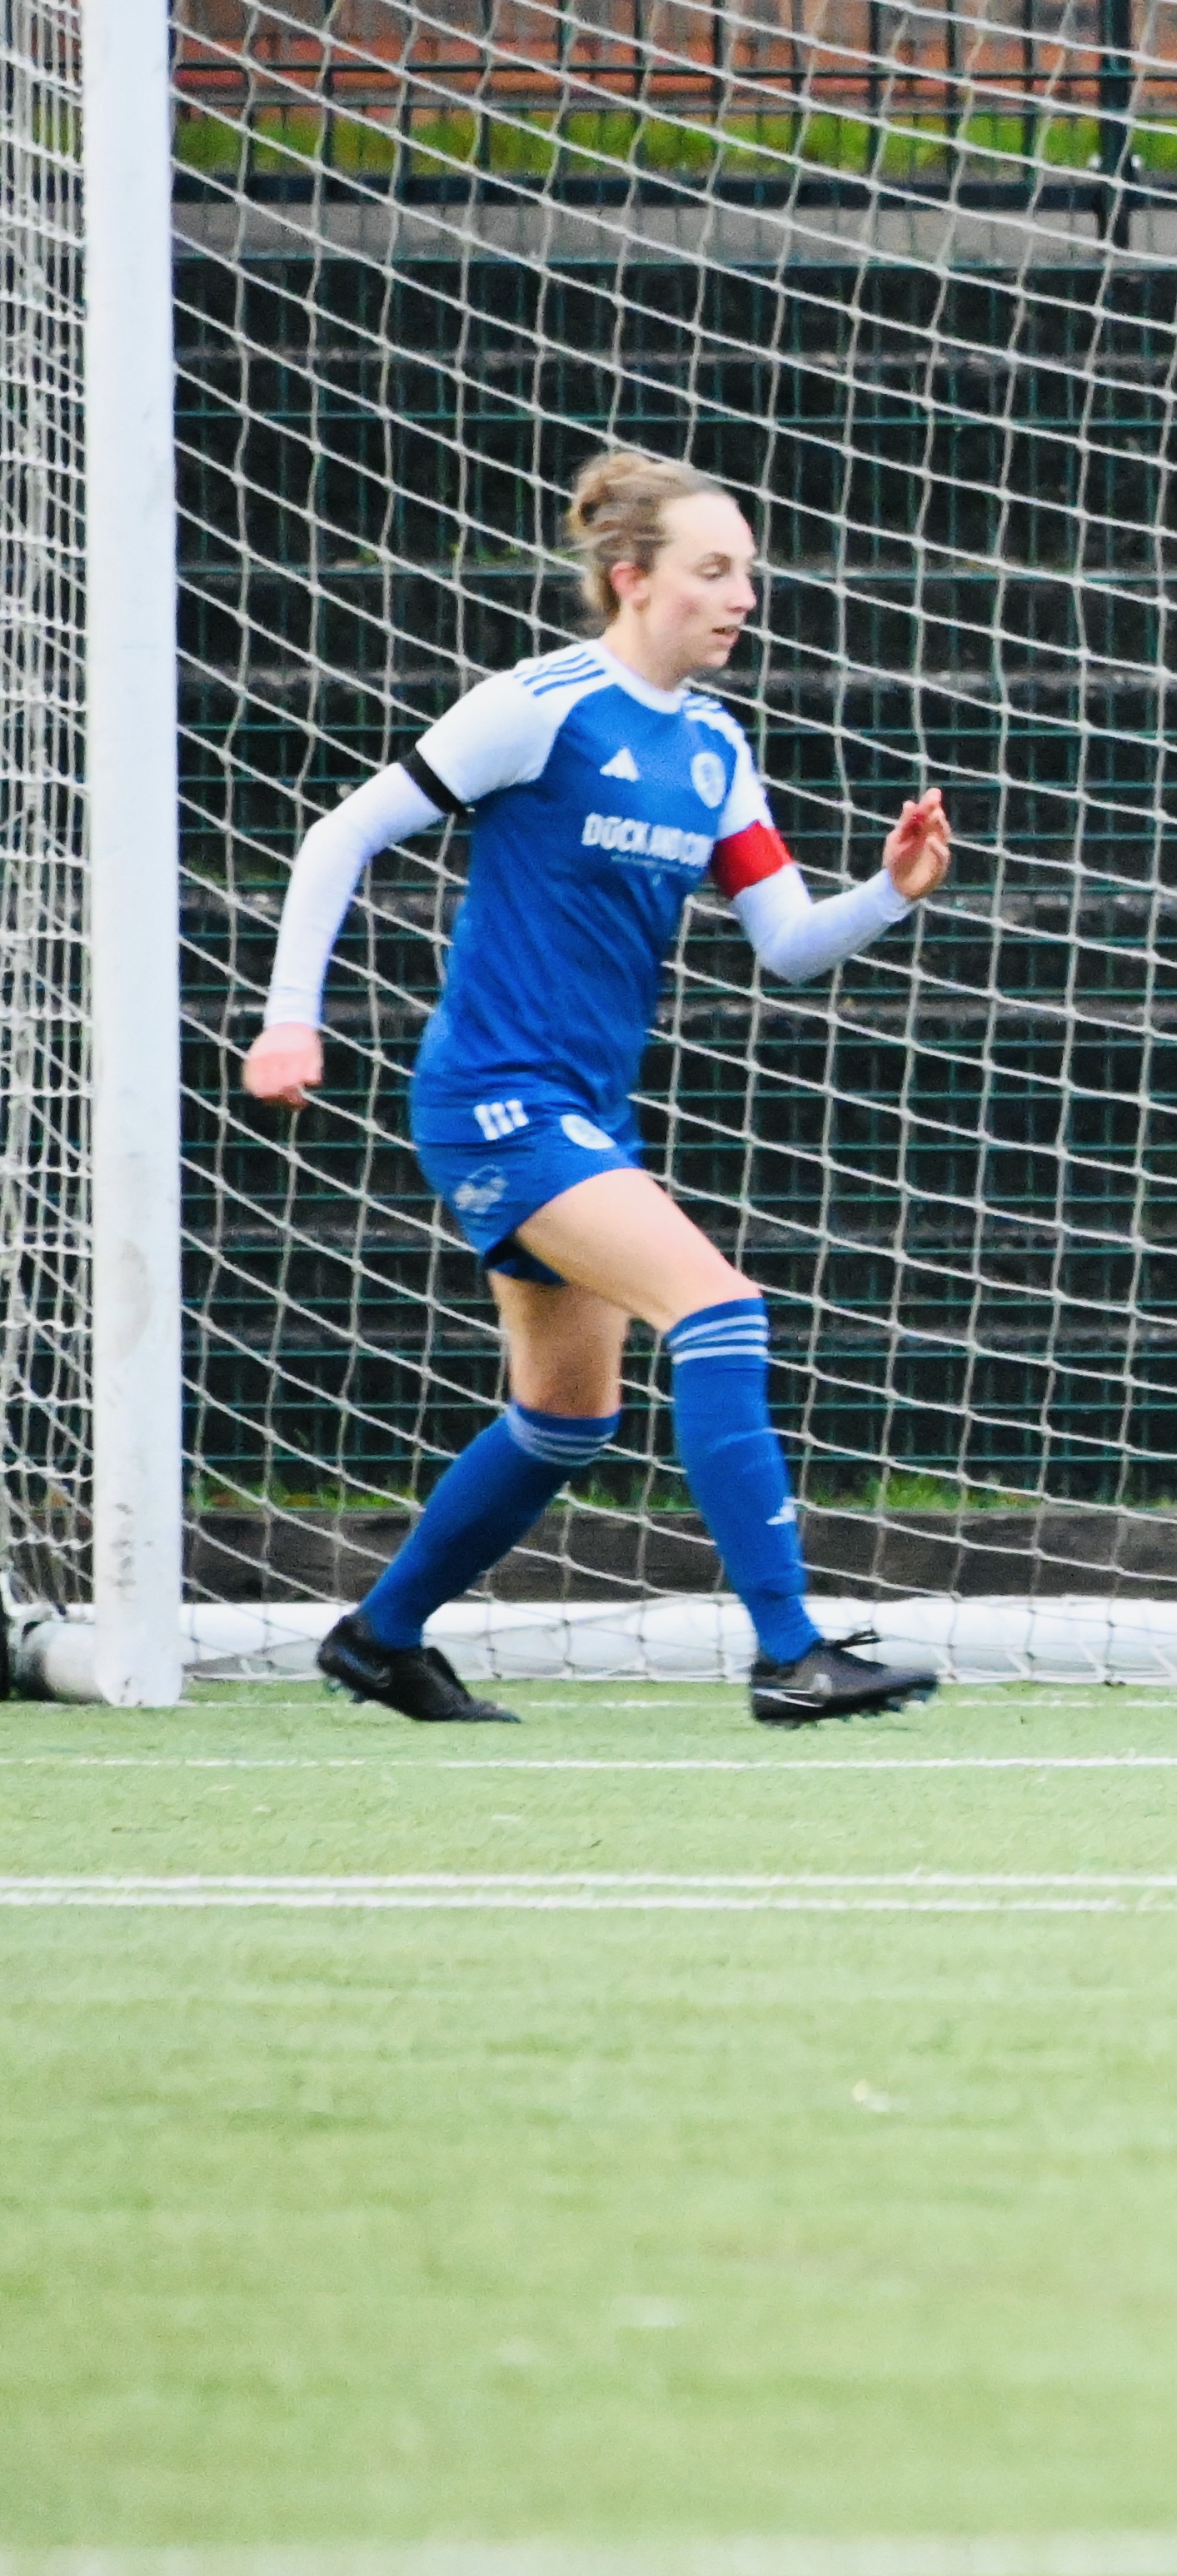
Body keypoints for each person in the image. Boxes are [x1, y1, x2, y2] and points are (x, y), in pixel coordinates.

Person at [242, 444, 960, 1726]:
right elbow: (338, 832)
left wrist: (888, 896)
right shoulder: (540, 703)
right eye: (714, 569)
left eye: (750, 569)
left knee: (565, 1421)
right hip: (498, 1098)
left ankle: (380, 1635)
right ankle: (791, 1651)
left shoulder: (713, 746)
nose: (744, 593)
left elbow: (786, 942)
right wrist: (290, 1019)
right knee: (722, 1310)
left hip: (582, 1107)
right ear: (632, 579)